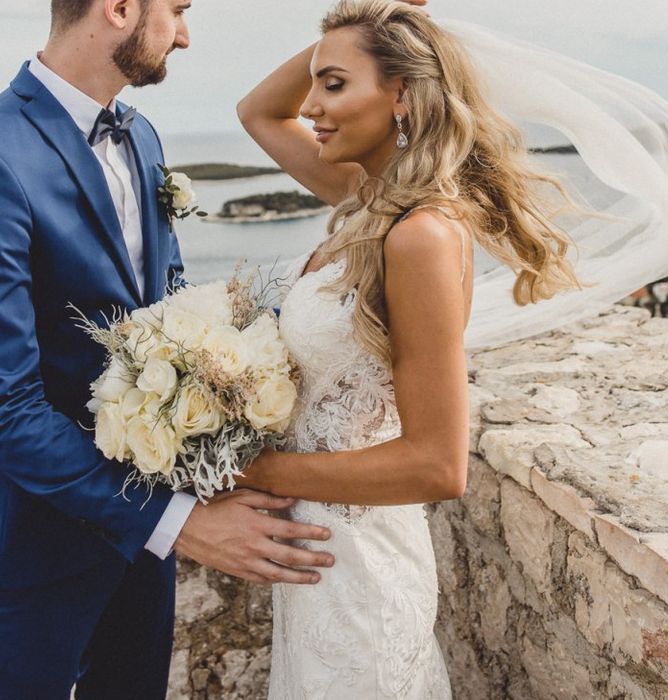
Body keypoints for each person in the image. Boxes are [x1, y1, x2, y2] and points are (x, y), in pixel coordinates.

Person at [236, 0, 587, 696]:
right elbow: (256, 111)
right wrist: (365, 17)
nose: (311, 106)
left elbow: (436, 464)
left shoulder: (420, 234)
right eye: (315, 84)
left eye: (333, 84)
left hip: (361, 567)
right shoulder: (367, 201)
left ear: (401, 93)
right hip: (316, 559)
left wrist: (258, 473)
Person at [0, 1, 334, 698]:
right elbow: (9, 408)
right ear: (120, 8)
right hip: (33, 547)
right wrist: (177, 524)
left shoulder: (143, 137)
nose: (184, 34)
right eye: (178, 10)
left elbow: (167, 304)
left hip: (140, 549)